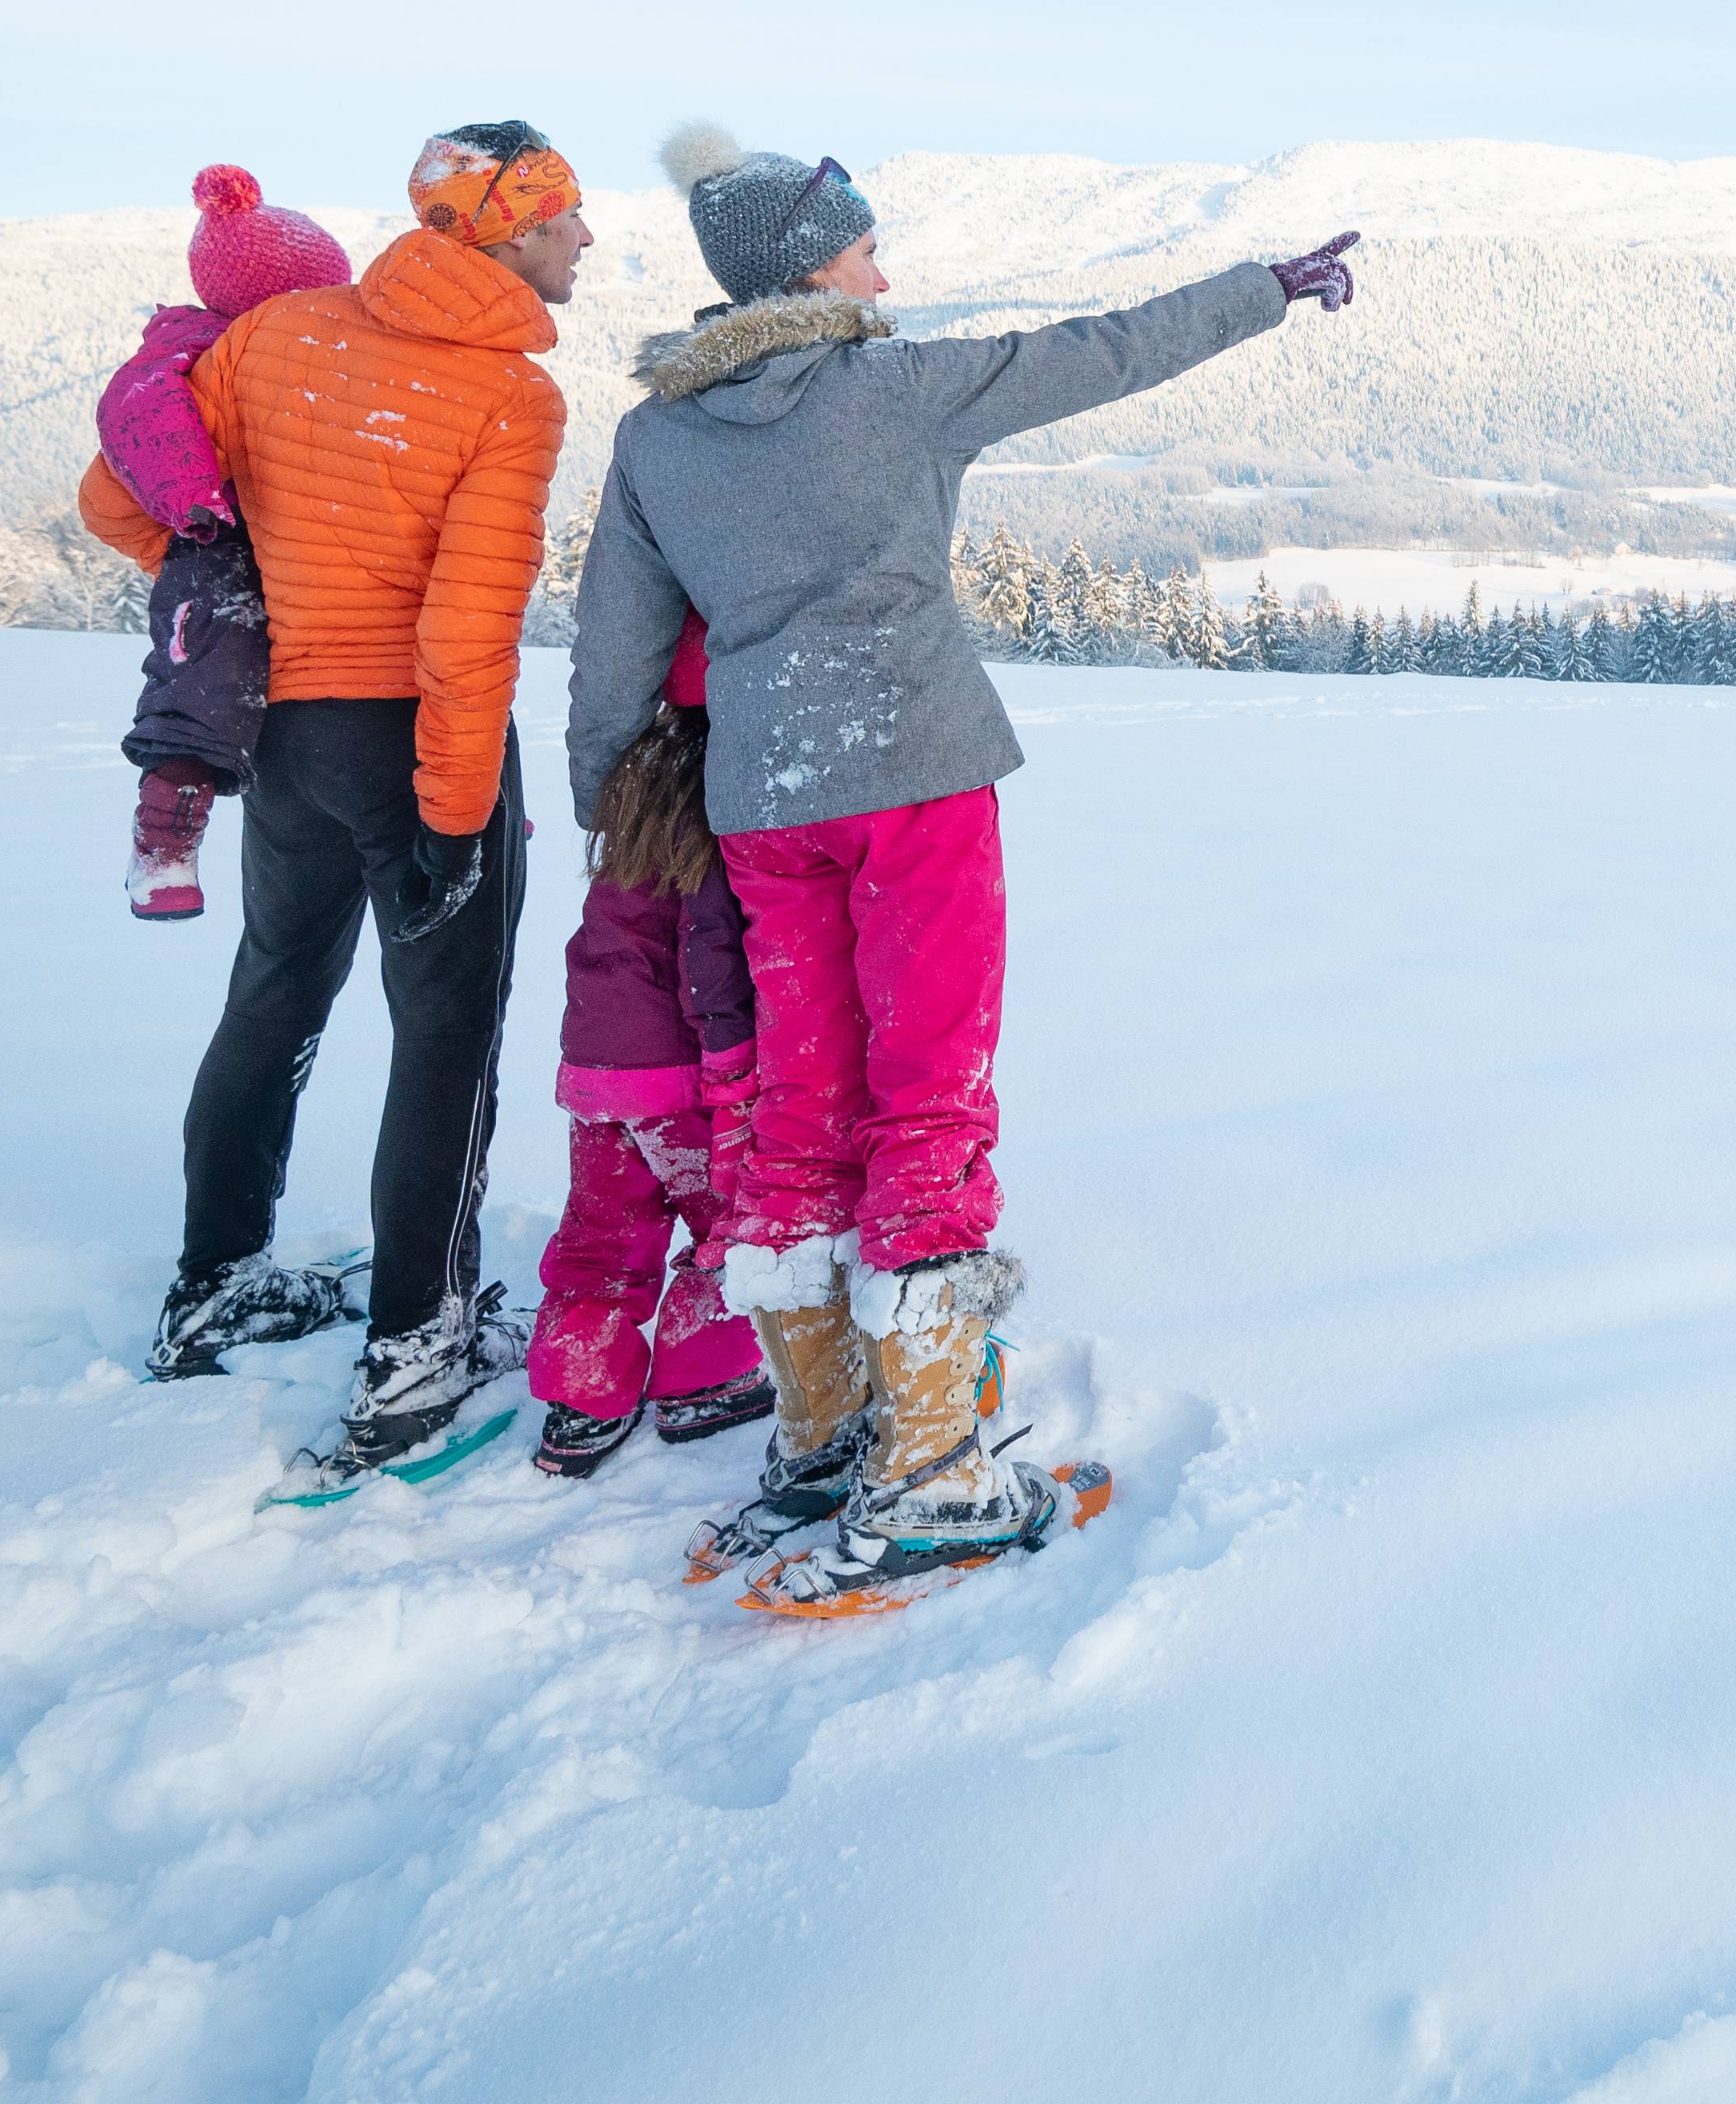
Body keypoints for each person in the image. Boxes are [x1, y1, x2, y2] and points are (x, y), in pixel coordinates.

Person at [564, 122, 1358, 1610]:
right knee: (928, 1090)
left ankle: (818, 1432)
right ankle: (930, 1469)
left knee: (800, 1101)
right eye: (865, 244)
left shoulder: (656, 435)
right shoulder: (893, 387)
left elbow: (613, 635)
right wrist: (1263, 285)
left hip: (761, 798)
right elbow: (1103, 349)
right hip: (915, 777)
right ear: (808, 262)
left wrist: (603, 791)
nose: (886, 266)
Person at [82, 121, 591, 1482]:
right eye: (563, 216)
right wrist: (448, 809)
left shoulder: (280, 332)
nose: (585, 237)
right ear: (497, 230)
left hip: (286, 735)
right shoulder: (507, 394)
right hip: (418, 739)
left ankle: (216, 1283)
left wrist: (268, 577)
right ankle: (416, 1347)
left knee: (274, 992)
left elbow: (117, 498)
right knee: (446, 1039)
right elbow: (466, 623)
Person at [526, 610, 774, 1475]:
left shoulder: (640, 775)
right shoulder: (725, 784)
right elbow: (710, 953)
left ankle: (580, 1394)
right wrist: (732, 1069)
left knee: (602, 1235)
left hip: (598, 1069)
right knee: (724, 1226)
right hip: (678, 1076)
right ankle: (703, 1377)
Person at [96, 166, 354, 921]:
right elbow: (137, 417)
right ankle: (166, 832)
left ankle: (462, 800)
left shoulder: (324, 354)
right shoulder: (190, 350)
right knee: (210, 665)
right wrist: (196, 506)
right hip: (219, 540)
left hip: (309, 528)